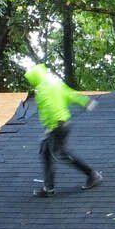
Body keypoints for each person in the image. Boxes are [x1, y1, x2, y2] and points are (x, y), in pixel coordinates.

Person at [25, 61, 103, 196]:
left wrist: (50, 128)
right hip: (63, 123)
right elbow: (70, 94)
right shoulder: (55, 83)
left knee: (62, 154)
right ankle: (48, 188)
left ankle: (92, 174)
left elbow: (49, 109)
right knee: (46, 152)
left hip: (57, 125)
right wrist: (85, 101)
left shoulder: (42, 90)